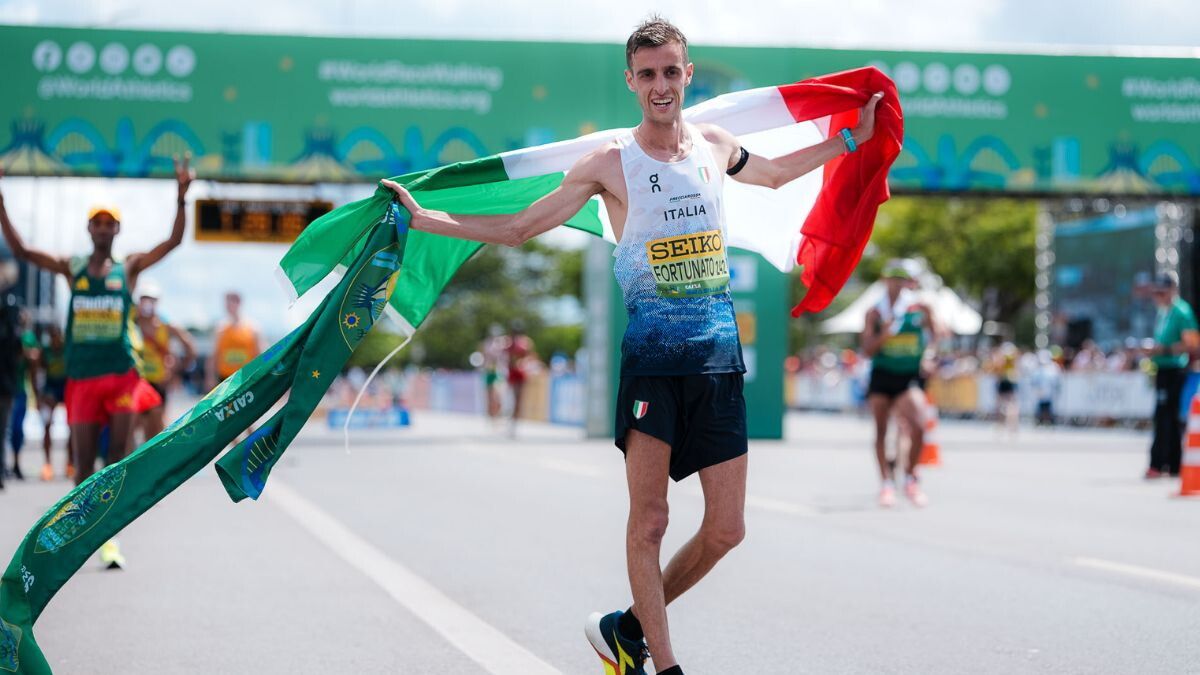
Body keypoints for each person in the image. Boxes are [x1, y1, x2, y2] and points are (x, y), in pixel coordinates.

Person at [382, 16, 884, 675]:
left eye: (671, 71)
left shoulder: (713, 144)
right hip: (651, 365)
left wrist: (849, 139)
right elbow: (519, 228)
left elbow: (774, 174)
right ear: (631, 81)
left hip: (718, 363)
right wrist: (425, 218)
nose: (660, 85)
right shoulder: (609, 163)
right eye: (647, 74)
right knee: (650, 522)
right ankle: (662, 664)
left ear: (687, 73)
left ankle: (625, 627)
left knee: (727, 529)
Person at [0, 157, 193, 568]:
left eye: (110, 223)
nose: (104, 228)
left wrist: (182, 197)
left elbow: (173, 242)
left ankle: (109, 540)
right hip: (83, 379)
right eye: (97, 223)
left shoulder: (129, 268)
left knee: (115, 462)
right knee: (83, 467)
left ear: (117, 230)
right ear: (89, 229)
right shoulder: (72, 268)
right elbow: (21, 251)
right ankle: (79, 537)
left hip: (120, 378)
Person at [862, 261, 935, 508]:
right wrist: (884, 335)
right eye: (893, 278)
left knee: (919, 425)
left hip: (908, 377)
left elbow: (936, 336)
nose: (897, 284)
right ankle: (886, 484)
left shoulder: (920, 308)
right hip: (882, 375)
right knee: (881, 431)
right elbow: (867, 350)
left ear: (908, 282)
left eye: (902, 279)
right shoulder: (875, 312)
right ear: (885, 281)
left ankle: (911, 478)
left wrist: (929, 356)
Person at [1146, 271, 1198, 479]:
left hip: (1175, 370)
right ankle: (1170, 464)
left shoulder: (1182, 312)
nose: (1158, 297)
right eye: (1156, 293)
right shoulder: (1163, 312)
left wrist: (1164, 350)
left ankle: (1161, 463)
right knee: (1164, 416)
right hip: (1162, 368)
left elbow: (1193, 344)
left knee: (1167, 416)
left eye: (1162, 292)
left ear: (1172, 290)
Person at [134, 281, 197, 439]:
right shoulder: (132, 323)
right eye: (144, 298)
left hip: (158, 382)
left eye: (151, 299)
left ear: (157, 301)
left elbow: (190, 347)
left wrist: (177, 371)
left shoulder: (165, 324)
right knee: (133, 426)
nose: (147, 303)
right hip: (136, 382)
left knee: (156, 429)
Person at [37, 324, 70, 480]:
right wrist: (40, 396)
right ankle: (47, 464)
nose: (55, 339)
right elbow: (39, 373)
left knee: (73, 426)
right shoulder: (45, 351)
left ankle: (70, 462)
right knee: (47, 425)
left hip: (65, 386)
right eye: (52, 337)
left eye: (57, 336)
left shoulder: (67, 349)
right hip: (50, 388)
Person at [208, 291, 261, 389]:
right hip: (225, 377)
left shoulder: (252, 328)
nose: (227, 306)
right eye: (226, 303)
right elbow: (214, 356)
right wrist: (210, 377)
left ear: (238, 303)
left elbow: (259, 354)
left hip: (245, 377)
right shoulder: (221, 328)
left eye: (230, 302)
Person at [7, 308, 37, 480]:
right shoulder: (7, 333)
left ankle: (16, 463)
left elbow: (34, 362)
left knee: (17, 429)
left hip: (19, 389)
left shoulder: (28, 338)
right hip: (7, 389)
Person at [505, 320, 536, 436]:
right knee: (511, 397)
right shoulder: (508, 342)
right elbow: (505, 357)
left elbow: (530, 356)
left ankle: (514, 422)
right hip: (511, 372)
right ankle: (510, 419)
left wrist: (522, 363)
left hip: (521, 372)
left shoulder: (526, 342)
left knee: (519, 398)